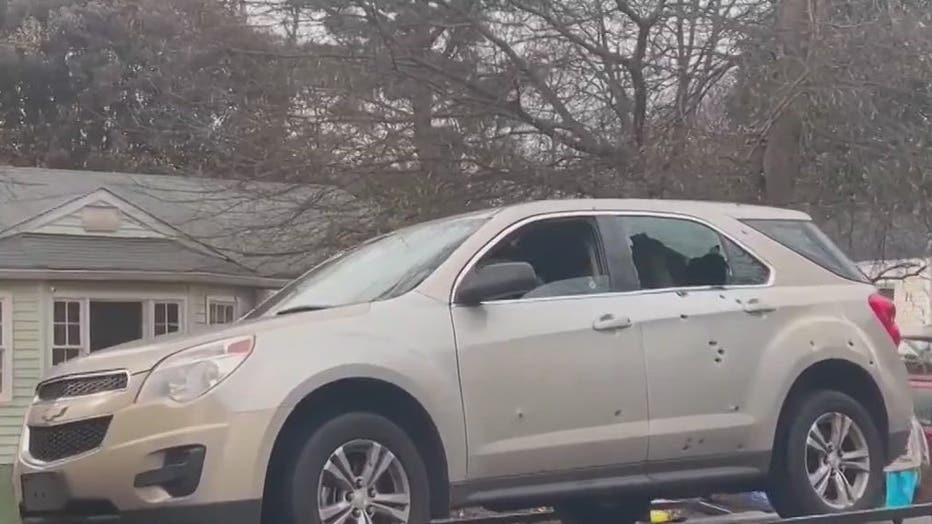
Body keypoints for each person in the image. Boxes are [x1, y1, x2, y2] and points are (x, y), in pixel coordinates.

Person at [887, 415, 930, 523]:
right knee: (900, 495)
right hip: (899, 464)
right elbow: (921, 443)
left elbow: (920, 441)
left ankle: (897, 518)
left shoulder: (909, 423)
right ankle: (897, 517)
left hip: (902, 464)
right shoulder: (909, 423)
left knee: (899, 495)